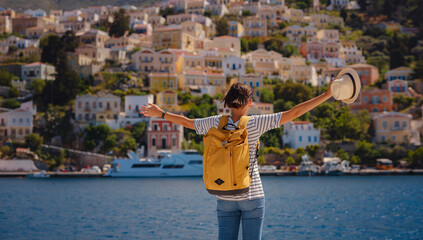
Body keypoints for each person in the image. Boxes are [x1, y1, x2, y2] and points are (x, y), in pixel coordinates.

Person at [140, 82, 334, 240]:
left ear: (228, 103)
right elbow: (294, 113)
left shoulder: (215, 122)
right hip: (252, 195)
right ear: (249, 103)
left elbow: (186, 122)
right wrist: (326, 94)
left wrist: (161, 113)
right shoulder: (256, 124)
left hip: (224, 195)